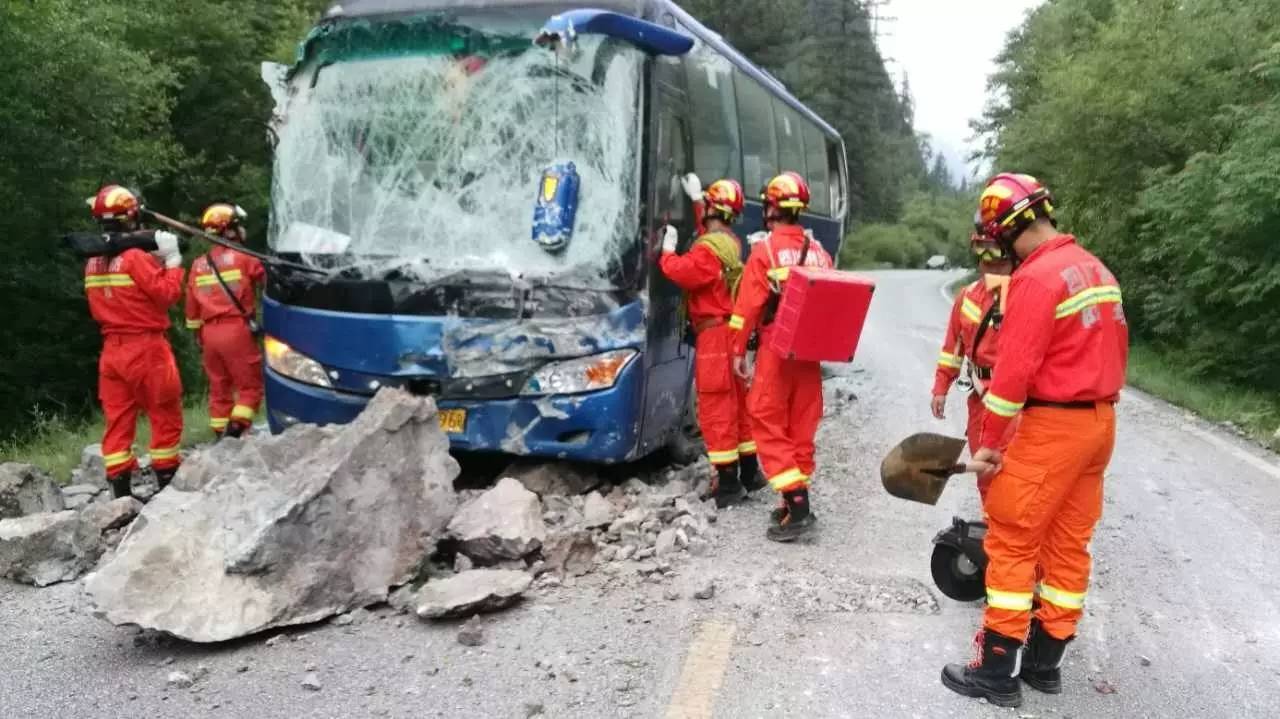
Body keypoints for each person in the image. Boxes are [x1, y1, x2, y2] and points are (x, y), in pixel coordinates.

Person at [940, 173, 1128, 708]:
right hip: (1098, 424)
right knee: (1068, 543)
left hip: (1051, 427)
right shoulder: (1095, 269)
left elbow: (1012, 378)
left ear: (1006, 227)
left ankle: (996, 669)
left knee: (1013, 538)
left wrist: (991, 443)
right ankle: (1046, 664)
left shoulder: (1036, 278)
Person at [728, 171, 833, 542]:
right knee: (801, 425)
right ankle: (795, 501)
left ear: (772, 207)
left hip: (776, 348)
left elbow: (747, 309)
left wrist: (738, 349)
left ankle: (797, 502)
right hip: (810, 352)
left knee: (765, 418)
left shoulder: (766, 251)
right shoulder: (820, 252)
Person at [660, 175, 759, 507]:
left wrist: (667, 251)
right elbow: (708, 241)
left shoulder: (706, 252)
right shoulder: (729, 241)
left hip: (713, 336)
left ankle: (728, 485)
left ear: (713, 211)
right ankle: (750, 472)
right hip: (732, 332)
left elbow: (682, 271)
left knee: (716, 408)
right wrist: (697, 202)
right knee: (739, 405)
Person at [83, 185, 185, 499]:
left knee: (118, 421)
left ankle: (121, 497)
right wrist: (173, 261)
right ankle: (167, 486)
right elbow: (167, 294)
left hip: (111, 351)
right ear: (130, 216)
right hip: (146, 349)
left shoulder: (93, 261)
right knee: (164, 412)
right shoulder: (135, 258)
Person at [931, 228, 1014, 501]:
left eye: (995, 251)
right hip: (980, 399)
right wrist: (941, 387)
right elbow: (953, 348)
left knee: (1010, 478)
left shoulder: (1026, 294)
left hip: (1014, 402)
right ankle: (994, 535)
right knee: (986, 477)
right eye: (982, 250)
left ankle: (1008, 538)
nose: (988, 259)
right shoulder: (967, 297)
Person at [185, 203, 267, 439]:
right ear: (229, 231)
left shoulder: (199, 264)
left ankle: (220, 436)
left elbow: (191, 306)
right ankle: (236, 430)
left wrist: (197, 334)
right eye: (238, 226)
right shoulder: (245, 257)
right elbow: (269, 281)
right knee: (249, 388)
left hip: (209, 333)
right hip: (236, 330)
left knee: (219, 388)